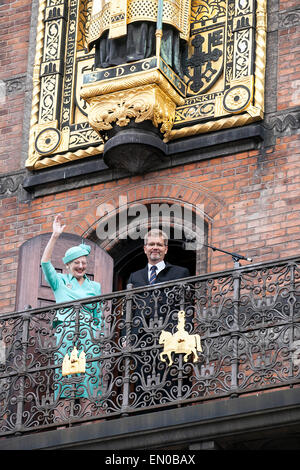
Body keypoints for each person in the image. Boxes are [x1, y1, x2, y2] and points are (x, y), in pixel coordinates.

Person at [41, 214, 102, 402]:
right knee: (65, 380)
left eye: (84, 263)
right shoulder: (59, 281)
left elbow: (97, 315)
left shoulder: (95, 287)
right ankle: (62, 424)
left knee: (90, 382)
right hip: (66, 335)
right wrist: (54, 236)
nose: (81, 266)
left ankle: (89, 422)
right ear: (68, 265)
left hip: (88, 336)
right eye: (77, 263)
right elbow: (45, 263)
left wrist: (100, 337)